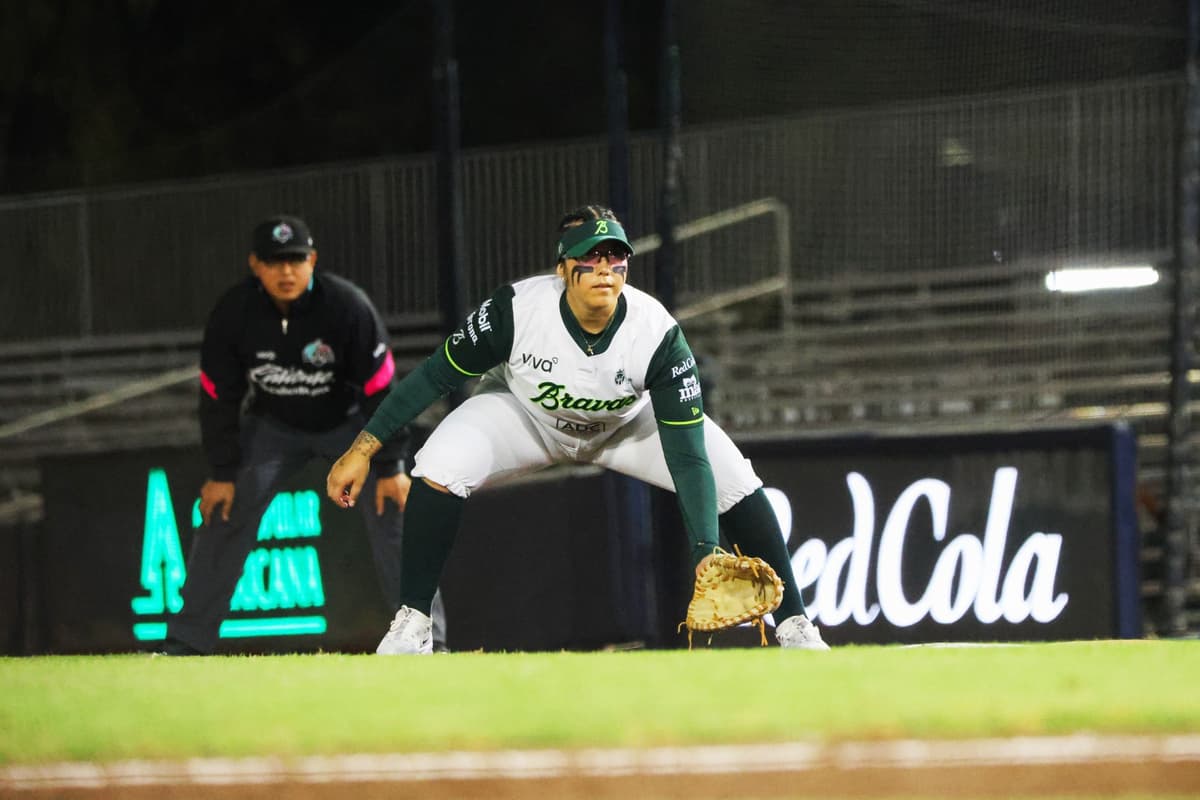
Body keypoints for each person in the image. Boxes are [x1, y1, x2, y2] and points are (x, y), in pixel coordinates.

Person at [325, 204, 828, 654]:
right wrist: (363, 448)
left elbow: (688, 455)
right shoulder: (517, 310)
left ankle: (796, 625)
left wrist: (704, 549)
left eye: (616, 258)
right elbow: (434, 375)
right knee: (438, 464)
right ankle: (413, 623)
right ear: (563, 268)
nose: (605, 269)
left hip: (626, 426)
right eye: (591, 258)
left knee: (736, 480)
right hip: (527, 417)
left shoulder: (656, 334)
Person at [160, 214, 446, 655]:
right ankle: (185, 644)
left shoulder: (347, 306)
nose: (286, 271)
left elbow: (380, 390)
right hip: (273, 427)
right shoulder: (233, 312)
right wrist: (222, 471)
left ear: (312, 260)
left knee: (396, 506)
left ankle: (431, 644)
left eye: (295, 260)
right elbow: (218, 396)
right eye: (274, 262)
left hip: (352, 426)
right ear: (255, 265)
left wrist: (391, 464)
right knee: (222, 510)